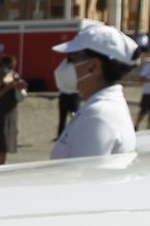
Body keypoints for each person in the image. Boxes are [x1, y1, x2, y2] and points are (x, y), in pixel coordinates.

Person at [49, 24, 140, 160]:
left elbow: (82, 177)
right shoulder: (100, 108)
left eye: (73, 57)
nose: (67, 63)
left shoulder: (98, 115)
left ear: (93, 66)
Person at [0, 54, 26, 166]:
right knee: (1, 139)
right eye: (8, 66)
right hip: (3, 110)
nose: (10, 68)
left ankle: (3, 163)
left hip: (12, 109)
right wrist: (8, 87)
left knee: (8, 139)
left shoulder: (13, 76)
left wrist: (20, 86)